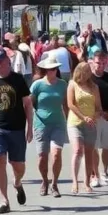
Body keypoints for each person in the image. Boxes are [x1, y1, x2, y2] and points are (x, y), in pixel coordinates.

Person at [0, 48, 34, 213]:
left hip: (17, 128)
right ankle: (4, 200)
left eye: (0, 61)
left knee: (18, 166)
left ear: (7, 62)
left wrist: (30, 127)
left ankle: (17, 182)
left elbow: (27, 104)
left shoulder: (18, 79)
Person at [30, 58, 68, 197]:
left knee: (56, 154)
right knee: (42, 156)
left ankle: (54, 184)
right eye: (50, 69)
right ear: (45, 70)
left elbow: (66, 104)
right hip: (41, 124)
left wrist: (68, 121)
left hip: (58, 123)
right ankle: (44, 181)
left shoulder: (62, 84)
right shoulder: (37, 85)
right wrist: (30, 120)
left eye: (55, 68)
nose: (53, 71)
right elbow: (30, 102)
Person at [67, 62, 102, 194]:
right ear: (79, 71)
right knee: (77, 150)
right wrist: (83, 117)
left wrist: (94, 116)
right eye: (85, 71)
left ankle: (87, 182)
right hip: (75, 122)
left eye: (89, 71)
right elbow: (70, 104)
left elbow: (99, 108)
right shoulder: (72, 84)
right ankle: (75, 182)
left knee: (89, 153)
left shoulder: (94, 87)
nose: (88, 73)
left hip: (91, 124)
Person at [89, 47, 108, 187]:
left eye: (103, 63)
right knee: (94, 146)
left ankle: (105, 172)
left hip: (107, 115)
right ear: (92, 62)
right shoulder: (88, 78)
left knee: (106, 145)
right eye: (98, 63)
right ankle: (94, 174)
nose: (100, 66)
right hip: (93, 116)